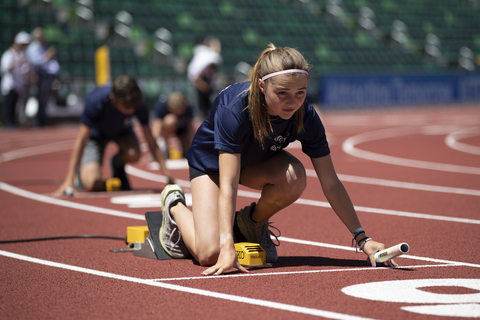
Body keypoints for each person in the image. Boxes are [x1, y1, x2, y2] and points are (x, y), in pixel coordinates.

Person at [159, 43, 398, 276]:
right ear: (262, 86)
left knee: (295, 177)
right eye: (282, 93)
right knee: (209, 254)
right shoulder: (235, 109)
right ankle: (174, 207)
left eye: (300, 93)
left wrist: (362, 239)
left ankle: (250, 222)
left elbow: (331, 183)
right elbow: (228, 185)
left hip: (252, 163)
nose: (292, 102)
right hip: (211, 165)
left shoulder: (306, 116)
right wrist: (226, 245)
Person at [55, 75, 174, 195]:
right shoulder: (96, 100)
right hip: (96, 137)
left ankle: (117, 164)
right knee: (93, 184)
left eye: (133, 107)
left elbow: (150, 140)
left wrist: (168, 175)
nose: (131, 111)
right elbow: (81, 140)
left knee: (134, 154)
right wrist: (68, 180)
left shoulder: (137, 102)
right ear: (113, 98)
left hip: (122, 132)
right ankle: (82, 172)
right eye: (126, 108)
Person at [27, 27, 60, 127]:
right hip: (39, 75)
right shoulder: (33, 48)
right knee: (39, 98)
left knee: (44, 99)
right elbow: (36, 62)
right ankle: (37, 120)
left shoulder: (41, 47)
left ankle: (42, 119)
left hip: (45, 76)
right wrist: (48, 55)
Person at [1, 31, 32, 127]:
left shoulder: (21, 55)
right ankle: (7, 122)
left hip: (18, 84)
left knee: (15, 105)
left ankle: (12, 122)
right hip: (9, 84)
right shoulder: (8, 55)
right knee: (8, 105)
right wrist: (16, 63)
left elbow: (23, 70)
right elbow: (5, 68)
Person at [151, 92, 195, 159]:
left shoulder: (188, 108)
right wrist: (157, 144)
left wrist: (194, 144)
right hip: (167, 128)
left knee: (188, 151)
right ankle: (164, 147)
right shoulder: (162, 106)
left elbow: (191, 127)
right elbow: (156, 126)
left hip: (182, 130)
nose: (178, 113)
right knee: (171, 120)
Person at [187, 37, 222, 120]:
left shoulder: (202, 55)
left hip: (206, 84)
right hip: (201, 85)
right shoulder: (205, 54)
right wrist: (203, 85)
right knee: (202, 111)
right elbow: (194, 75)